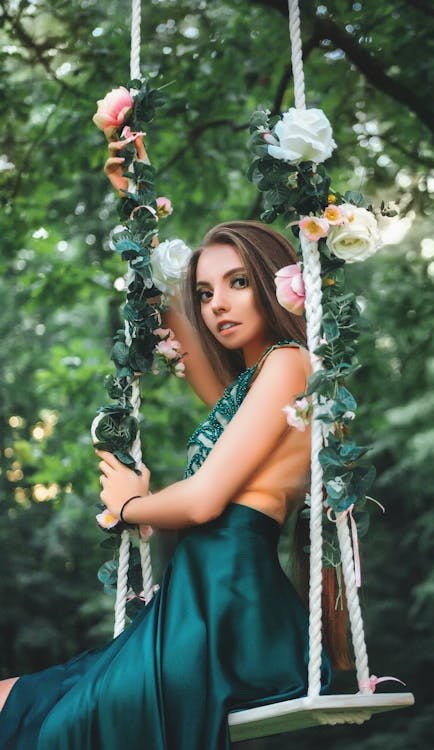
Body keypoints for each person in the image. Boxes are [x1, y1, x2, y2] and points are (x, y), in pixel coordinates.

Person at [0, 144, 342, 750]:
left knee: (57, 729)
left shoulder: (291, 364)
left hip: (228, 614)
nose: (218, 305)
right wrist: (132, 202)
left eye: (238, 283)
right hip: (196, 606)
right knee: (14, 699)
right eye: (207, 293)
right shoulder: (252, 383)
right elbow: (172, 315)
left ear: (274, 284)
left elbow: (206, 500)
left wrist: (131, 504)